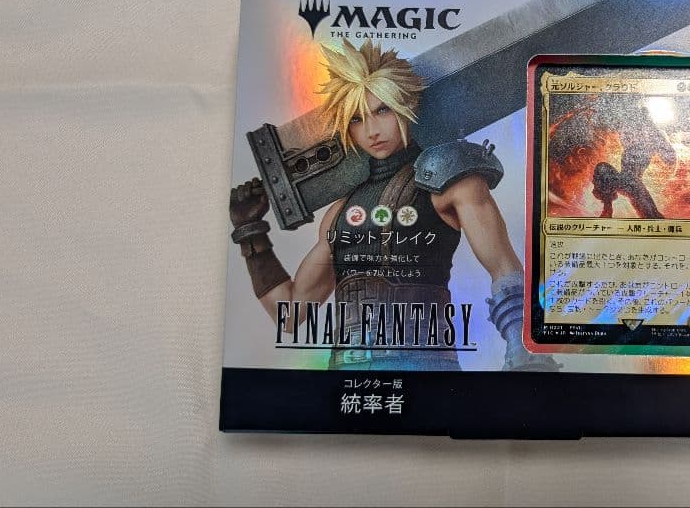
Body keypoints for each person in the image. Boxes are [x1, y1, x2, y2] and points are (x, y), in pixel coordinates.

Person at [229, 39, 556, 371]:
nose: (372, 131)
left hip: (427, 369)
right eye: (357, 119)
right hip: (346, 376)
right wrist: (250, 233)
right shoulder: (339, 213)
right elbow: (290, 313)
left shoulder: (450, 178)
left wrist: (523, 350)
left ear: (405, 106)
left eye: (382, 110)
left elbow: (503, 266)